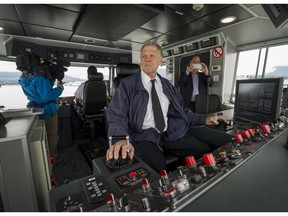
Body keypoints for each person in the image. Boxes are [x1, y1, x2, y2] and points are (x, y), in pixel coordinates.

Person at [106, 41, 231, 172]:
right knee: (160, 171)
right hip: (143, 137)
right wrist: (119, 138)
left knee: (204, 151)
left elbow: (181, 110)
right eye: (144, 56)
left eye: (152, 56)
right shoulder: (127, 85)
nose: (147, 59)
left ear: (160, 60)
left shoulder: (167, 85)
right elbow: (116, 113)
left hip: (169, 134)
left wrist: (204, 119)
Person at [18, 70, 64, 164]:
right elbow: (48, 96)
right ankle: (53, 160)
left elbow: (43, 89)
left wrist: (51, 78)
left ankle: (44, 160)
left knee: (42, 137)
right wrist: (59, 89)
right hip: (47, 111)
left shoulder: (24, 79)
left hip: (35, 111)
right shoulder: (39, 78)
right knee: (52, 136)